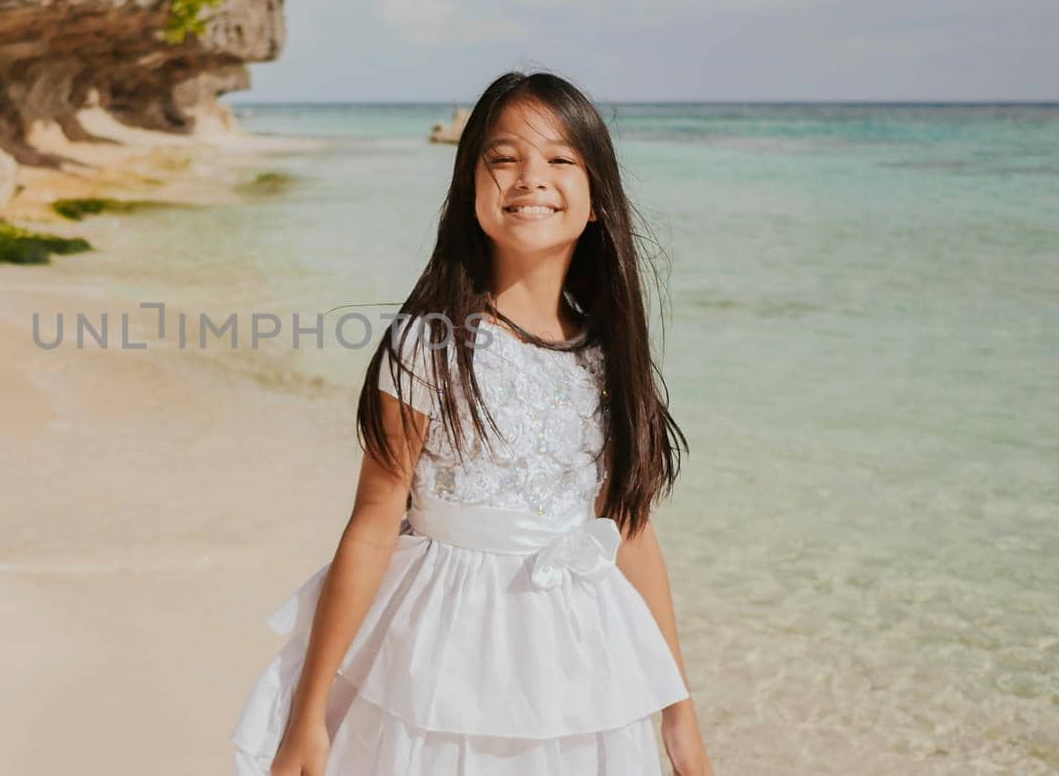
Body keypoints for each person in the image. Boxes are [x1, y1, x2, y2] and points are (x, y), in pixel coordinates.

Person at [230, 71, 715, 775]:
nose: (530, 178)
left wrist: (680, 716)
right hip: (442, 649)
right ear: (470, 190)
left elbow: (631, 534)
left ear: (597, 202)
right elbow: (371, 527)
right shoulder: (431, 343)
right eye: (503, 158)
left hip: (584, 660)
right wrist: (307, 716)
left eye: (559, 159)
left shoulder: (609, 358)